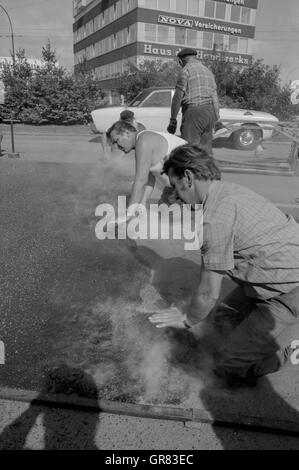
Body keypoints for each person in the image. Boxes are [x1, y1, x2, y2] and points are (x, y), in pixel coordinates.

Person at [149, 144, 299, 386]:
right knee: (221, 320)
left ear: (188, 177)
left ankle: (289, 353)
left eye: (176, 186)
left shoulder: (216, 220)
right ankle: (247, 340)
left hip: (288, 292)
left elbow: (208, 293)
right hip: (269, 277)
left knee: (228, 366)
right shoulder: (227, 192)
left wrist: (187, 320)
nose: (176, 194)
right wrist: (179, 203)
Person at [106, 121, 186, 215]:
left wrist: (129, 213)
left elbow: (141, 180)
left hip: (191, 183)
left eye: (116, 140)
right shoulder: (142, 141)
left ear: (126, 133)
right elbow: (149, 177)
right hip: (176, 186)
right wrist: (142, 202)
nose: (116, 146)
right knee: (163, 217)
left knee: (178, 222)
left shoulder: (143, 140)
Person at [167, 48, 220, 156]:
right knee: (205, 151)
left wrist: (173, 120)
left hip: (194, 112)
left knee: (189, 150)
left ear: (180, 61)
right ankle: (206, 171)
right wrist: (217, 118)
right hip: (210, 114)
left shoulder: (185, 71)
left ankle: (190, 171)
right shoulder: (208, 71)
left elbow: (177, 97)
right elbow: (215, 98)